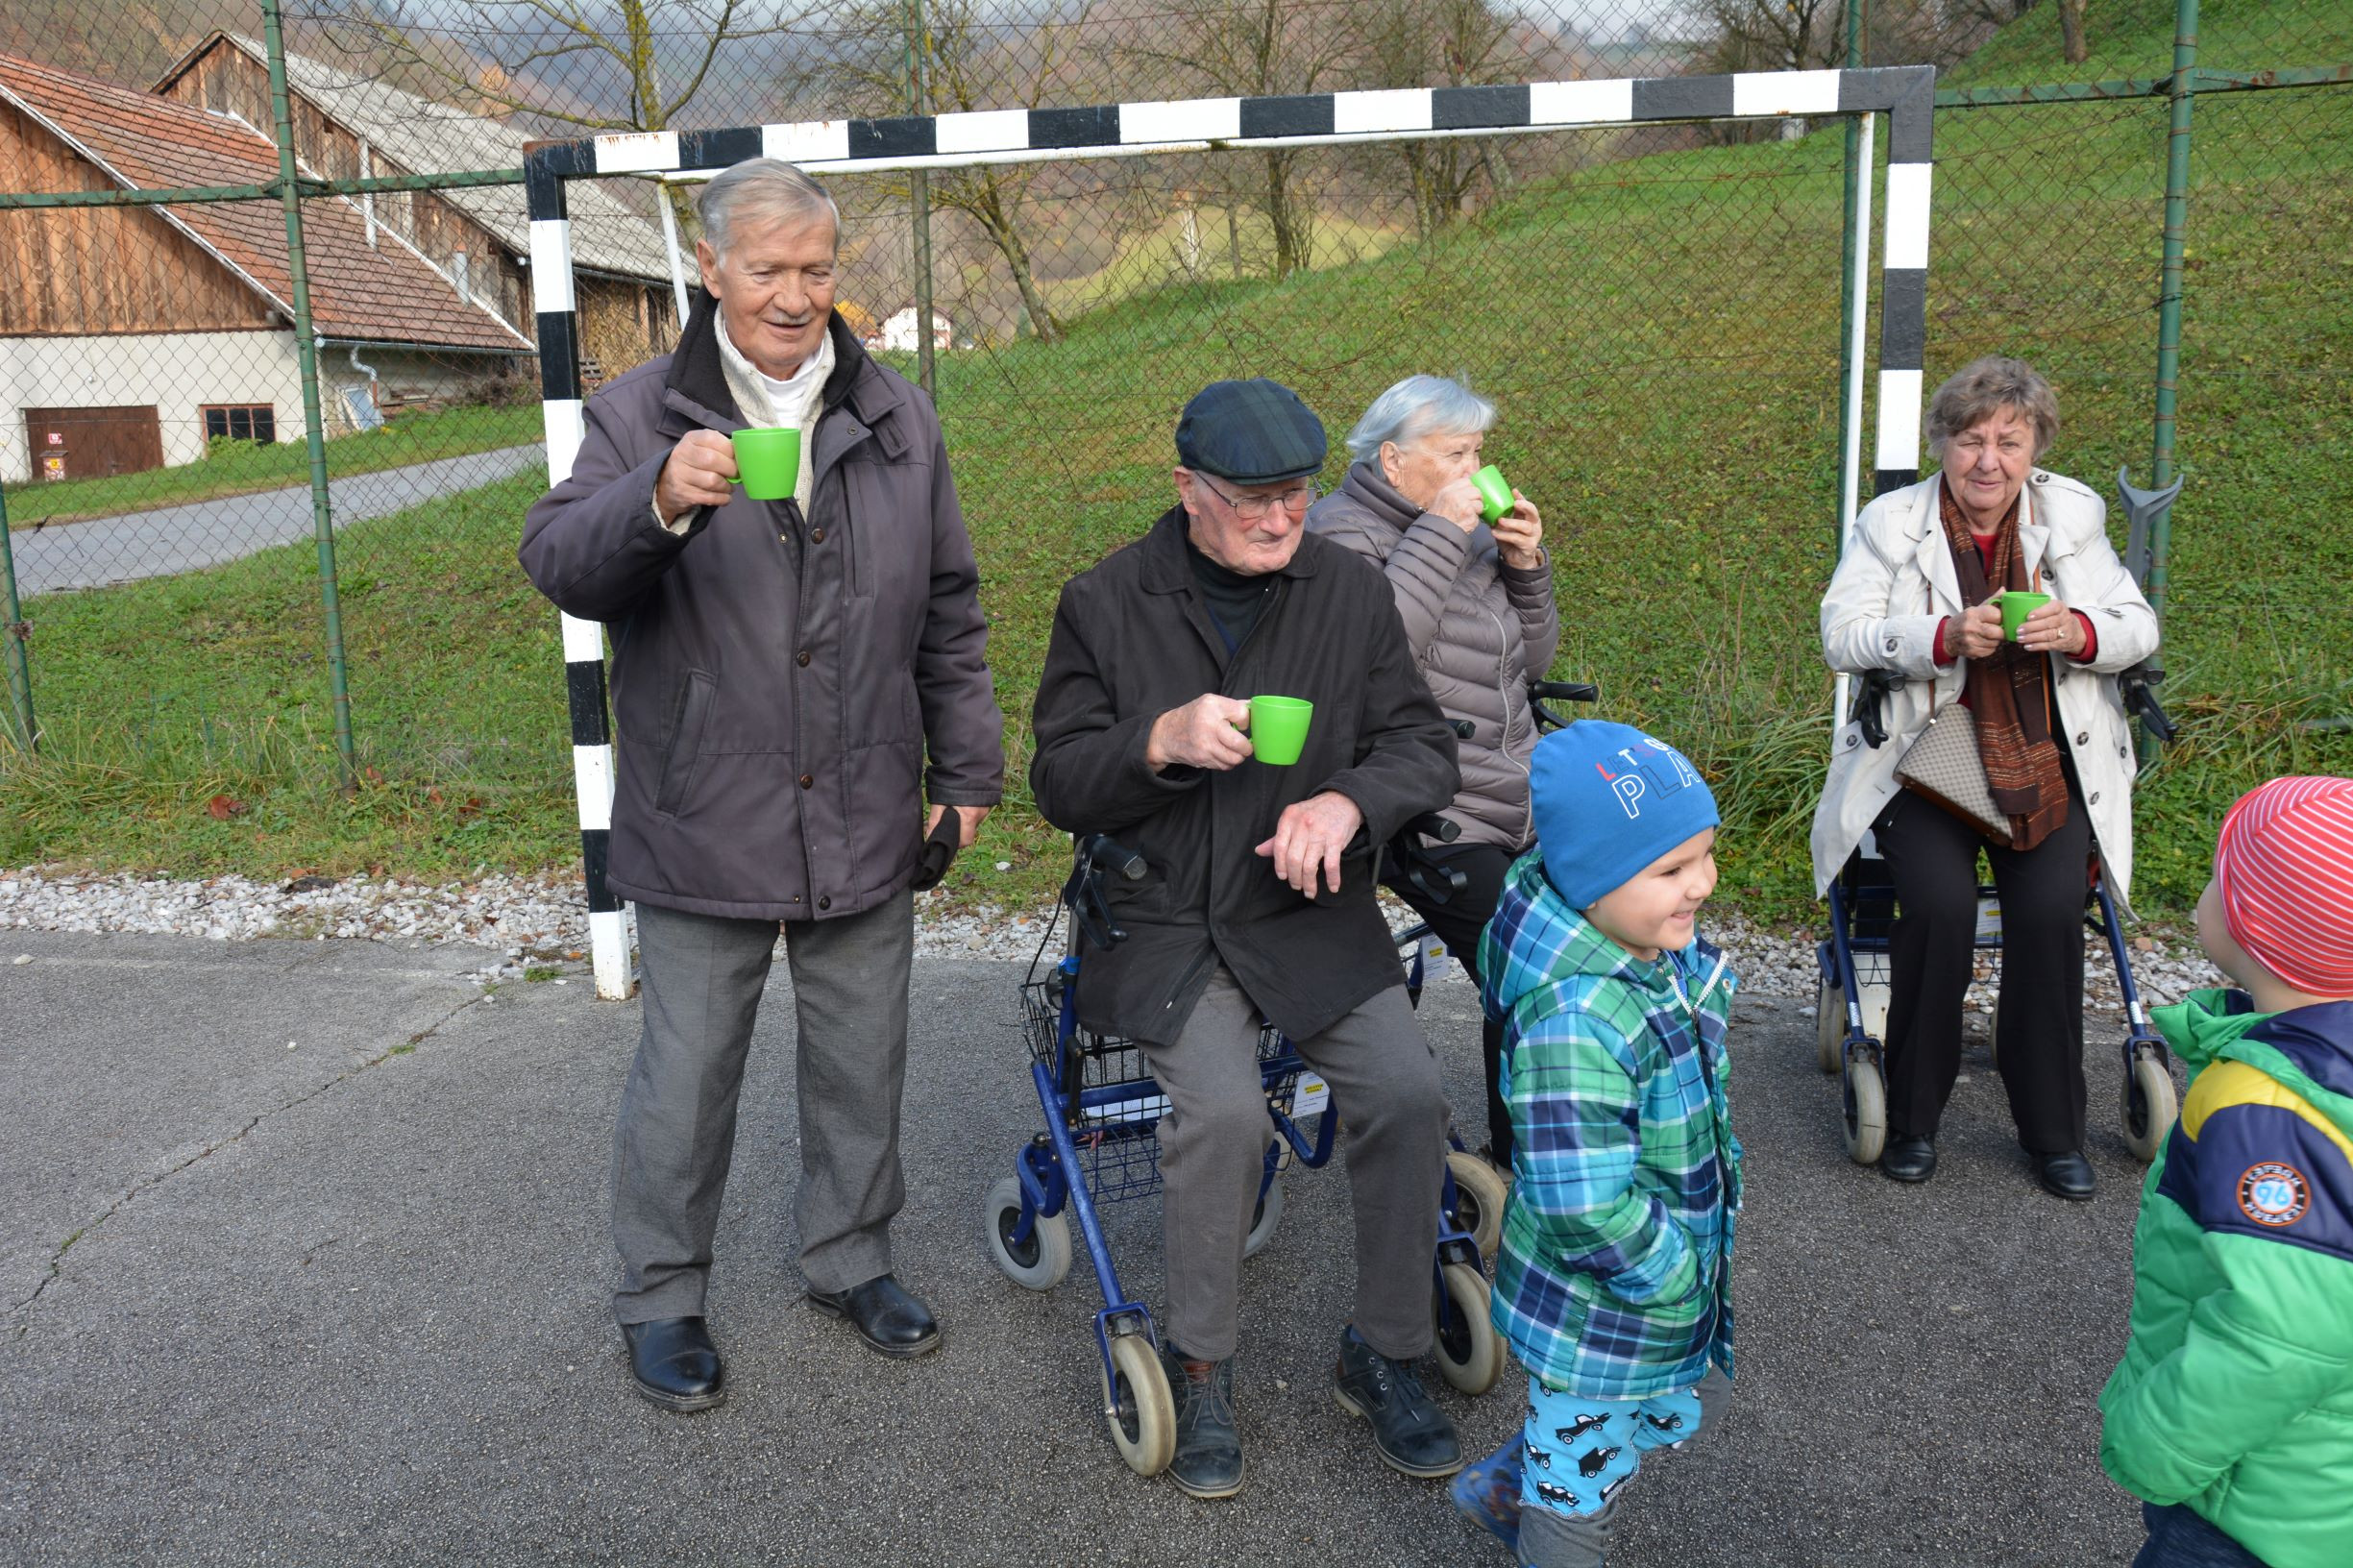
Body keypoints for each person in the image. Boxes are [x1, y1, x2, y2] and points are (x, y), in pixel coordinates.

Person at [518, 158, 1003, 1410]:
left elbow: (948, 607)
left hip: (862, 799)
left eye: (817, 269)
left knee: (862, 1058)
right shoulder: (638, 416)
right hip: (701, 809)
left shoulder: (896, 415)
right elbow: (561, 561)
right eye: (769, 269)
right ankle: (662, 1296)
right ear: (712, 271)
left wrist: (967, 768)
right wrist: (658, 501)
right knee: (686, 1078)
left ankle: (849, 1260)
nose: (795, 295)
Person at [1029, 379, 1463, 1499]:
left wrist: (1351, 803)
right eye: (1252, 500)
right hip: (1166, 921)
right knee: (1222, 1114)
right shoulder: (1107, 600)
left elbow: (1421, 744)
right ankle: (1200, 1359)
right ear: (1187, 491)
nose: (1280, 520)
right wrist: (1157, 741)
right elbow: (1057, 780)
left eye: (1297, 496)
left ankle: (1385, 1349)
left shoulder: (1349, 592)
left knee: (1409, 1094)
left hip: (1303, 910)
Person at [1811, 355, 2158, 1197]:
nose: (1988, 461)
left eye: (2010, 441)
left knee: (2047, 912)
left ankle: (2052, 1134)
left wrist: (2075, 630)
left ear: (2035, 446)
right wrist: (1935, 638)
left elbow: (2135, 626)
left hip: (2041, 757)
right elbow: (1841, 633)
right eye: (1970, 441)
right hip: (1924, 759)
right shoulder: (1891, 522)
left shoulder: (2069, 514)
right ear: (1943, 444)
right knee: (1937, 908)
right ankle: (1912, 1118)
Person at [1450, 722, 1738, 1568]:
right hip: (1605, 1303)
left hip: (1653, 1274)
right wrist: (1675, 1274)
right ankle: (1535, 1503)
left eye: (1704, 856)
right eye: (1670, 871)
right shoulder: (1577, 1021)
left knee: (1691, 1399)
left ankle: (1512, 1479)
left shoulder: (1645, 950)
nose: (1702, 885)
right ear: (1585, 883)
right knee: (1580, 1498)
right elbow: (1583, 1203)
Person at [2099, 775, 2353, 1568]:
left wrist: (2152, 1445)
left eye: (2219, 875)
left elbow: (2283, 1336)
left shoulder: (2266, 1107)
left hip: (2254, 1509)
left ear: (2250, 920)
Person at [1306, 375, 1557, 1171]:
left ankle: (1550, 1144)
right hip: (1421, 805)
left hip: (1513, 790)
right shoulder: (1336, 537)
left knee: (1567, 952)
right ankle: (1515, 1171)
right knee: (1523, 966)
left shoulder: (1464, 527)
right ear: (1392, 459)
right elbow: (1374, 669)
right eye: (1456, 453)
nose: (1473, 469)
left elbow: (1533, 664)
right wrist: (1445, 534)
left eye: (1477, 452)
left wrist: (1525, 566)